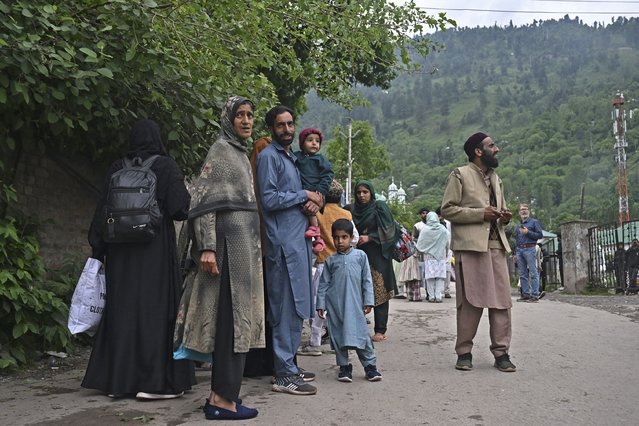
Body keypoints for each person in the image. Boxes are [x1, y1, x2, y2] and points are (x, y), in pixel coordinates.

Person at [82, 119, 195, 398]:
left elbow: (101, 215)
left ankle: (118, 382)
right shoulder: (165, 166)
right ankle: (155, 383)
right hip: (154, 253)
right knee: (155, 314)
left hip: (119, 255)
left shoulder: (116, 168)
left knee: (122, 313)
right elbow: (180, 208)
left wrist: (98, 252)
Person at [172, 96, 265, 420]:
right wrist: (208, 247)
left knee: (234, 324)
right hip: (226, 255)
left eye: (250, 115)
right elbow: (204, 205)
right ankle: (223, 401)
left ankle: (220, 396)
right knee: (229, 325)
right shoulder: (221, 151)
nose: (246, 120)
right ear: (228, 118)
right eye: (239, 114)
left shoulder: (239, 154)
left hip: (242, 257)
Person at [254, 105, 322, 396]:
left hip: (298, 244)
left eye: (290, 124)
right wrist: (303, 194)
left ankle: (289, 366)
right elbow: (268, 199)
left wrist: (311, 202)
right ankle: (283, 374)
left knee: (297, 308)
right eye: (281, 125)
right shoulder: (269, 157)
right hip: (282, 246)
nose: (287, 129)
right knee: (284, 309)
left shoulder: (290, 158)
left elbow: (294, 199)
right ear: (272, 128)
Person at [441, 131, 516, 373]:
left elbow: (499, 211)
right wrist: (479, 213)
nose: (497, 149)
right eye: (491, 145)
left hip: (496, 246)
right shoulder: (459, 174)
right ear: (478, 151)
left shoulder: (497, 179)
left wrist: (504, 217)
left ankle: (501, 353)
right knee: (470, 302)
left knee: (502, 303)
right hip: (470, 247)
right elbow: (448, 210)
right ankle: (464, 352)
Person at [316, 219, 383, 382]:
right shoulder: (330, 261)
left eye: (344, 237)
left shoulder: (360, 256)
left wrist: (368, 301)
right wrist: (321, 304)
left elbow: (367, 280)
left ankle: (370, 367)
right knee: (338, 336)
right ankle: (344, 367)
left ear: (351, 237)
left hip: (355, 304)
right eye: (336, 237)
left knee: (362, 336)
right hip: (336, 306)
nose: (340, 241)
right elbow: (323, 284)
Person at [298, 180, 359, 356]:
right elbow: (353, 238)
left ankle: (315, 342)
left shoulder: (318, 213)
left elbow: (310, 239)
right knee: (340, 303)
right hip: (342, 263)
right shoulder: (346, 214)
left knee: (320, 303)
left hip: (323, 263)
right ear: (340, 196)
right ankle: (339, 342)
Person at [351, 180, 399, 342]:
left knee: (379, 290)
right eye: (358, 192)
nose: (362, 195)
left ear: (371, 192)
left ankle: (380, 329)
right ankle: (357, 328)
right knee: (356, 290)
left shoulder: (379, 207)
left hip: (378, 254)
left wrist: (370, 237)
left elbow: (390, 230)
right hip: (357, 255)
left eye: (365, 192)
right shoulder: (351, 209)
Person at [296, 128, 334, 254]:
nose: (314, 143)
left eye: (317, 141)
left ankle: (318, 238)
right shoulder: (296, 157)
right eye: (310, 140)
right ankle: (316, 237)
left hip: (315, 191)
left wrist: (321, 190)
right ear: (302, 143)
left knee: (312, 211)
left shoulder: (320, 159)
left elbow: (328, 175)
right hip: (302, 191)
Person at [416, 211, 450, 303]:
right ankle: (438, 296)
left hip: (429, 256)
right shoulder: (443, 229)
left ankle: (431, 296)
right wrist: (446, 252)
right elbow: (447, 242)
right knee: (439, 276)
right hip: (440, 256)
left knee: (430, 276)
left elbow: (420, 244)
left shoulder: (425, 230)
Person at [514, 204, 543, 302]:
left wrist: (528, 232)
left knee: (533, 272)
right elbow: (516, 239)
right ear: (519, 212)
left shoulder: (534, 222)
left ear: (529, 211)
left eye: (525, 209)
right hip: (519, 250)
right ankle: (525, 295)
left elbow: (540, 235)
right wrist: (515, 253)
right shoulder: (518, 225)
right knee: (522, 274)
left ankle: (534, 295)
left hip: (530, 249)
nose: (524, 211)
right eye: (522, 210)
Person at [435, 207, 453, 298]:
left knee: (447, 270)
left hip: (448, 249)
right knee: (436, 271)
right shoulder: (434, 224)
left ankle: (447, 290)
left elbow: (451, 236)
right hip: (437, 250)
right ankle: (437, 291)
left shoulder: (448, 223)